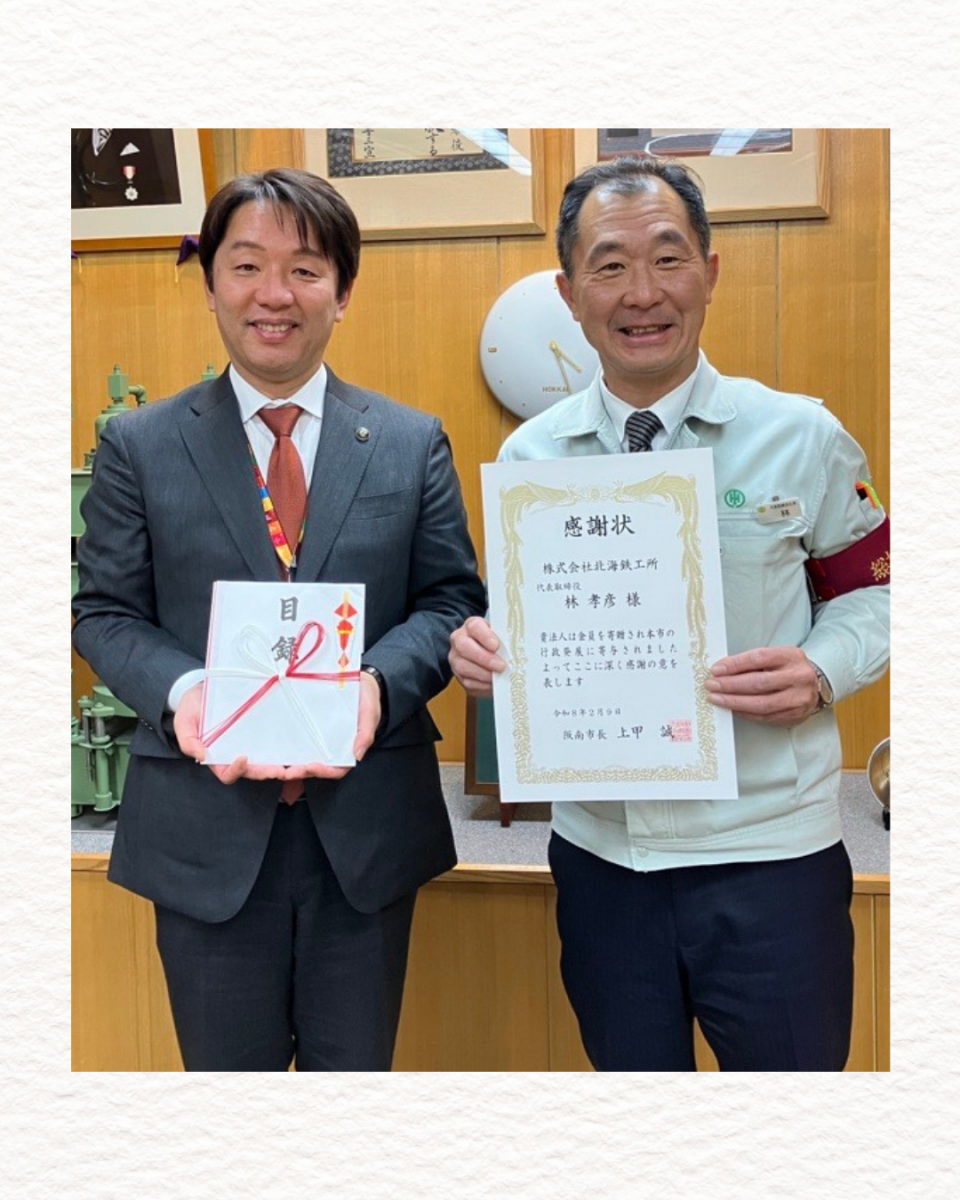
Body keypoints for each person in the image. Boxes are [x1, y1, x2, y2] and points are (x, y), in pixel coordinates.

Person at [449, 156, 890, 1072]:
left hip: (771, 857)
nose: (641, 293)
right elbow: (520, 623)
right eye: (609, 266)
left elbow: (884, 590)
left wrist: (822, 669)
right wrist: (484, 653)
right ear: (569, 294)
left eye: (667, 257)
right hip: (603, 862)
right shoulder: (532, 457)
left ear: (710, 273)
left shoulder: (801, 435)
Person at [73, 167, 486, 1071]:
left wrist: (377, 687)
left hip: (364, 832)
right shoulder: (139, 445)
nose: (274, 294)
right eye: (247, 265)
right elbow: (103, 611)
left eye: (304, 269)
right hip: (204, 830)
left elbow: (451, 601)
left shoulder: (410, 441)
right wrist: (187, 692)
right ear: (211, 284)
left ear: (343, 290)